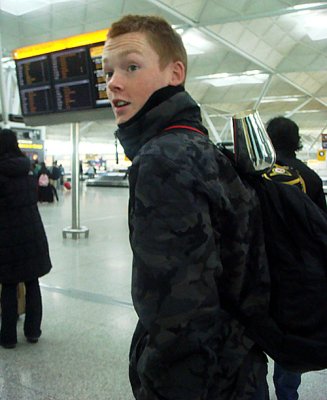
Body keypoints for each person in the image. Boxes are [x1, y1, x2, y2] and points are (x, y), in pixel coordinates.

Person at [102, 15, 271, 400]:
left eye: (131, 66)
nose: (113, 82)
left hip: (204, 384)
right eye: (108, 71)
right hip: (240, 367)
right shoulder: (202, 148)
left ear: (175, 72)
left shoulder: (162, 161)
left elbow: (179, 316)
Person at [266, 116, 327, 400]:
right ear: (297, 140)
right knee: (290, 336)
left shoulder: (254, 174)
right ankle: (286, 394)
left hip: (259, 268)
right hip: (296, 273)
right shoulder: (310, 178)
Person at [0, 129, 52, 348]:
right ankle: (33, 331)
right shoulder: (28, 169)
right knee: (32, 282)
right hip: (32, 232)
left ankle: (8, 337)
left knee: (9, 285)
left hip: (7, 235)